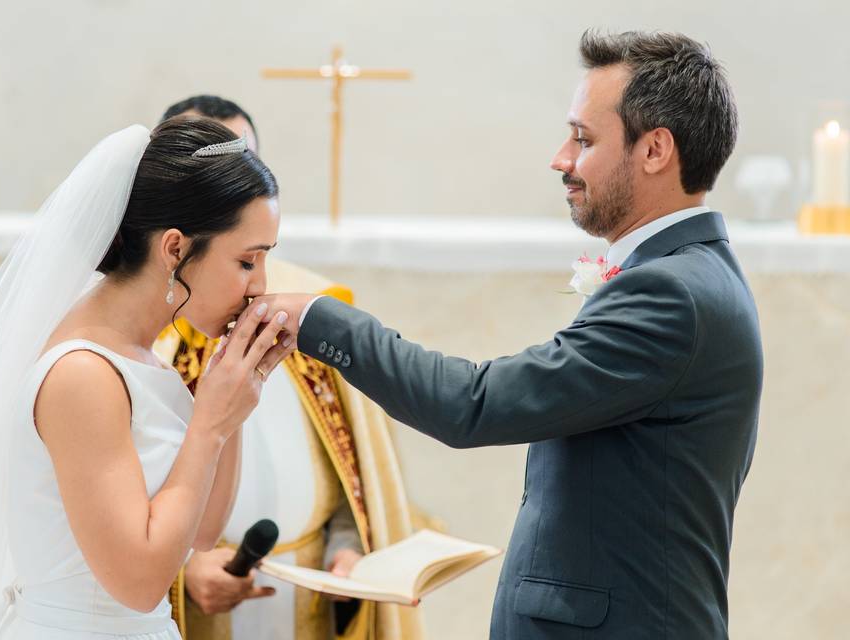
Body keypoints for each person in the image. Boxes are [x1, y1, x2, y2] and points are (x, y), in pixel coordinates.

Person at [261, 30, 762, 639]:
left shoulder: (671, 293)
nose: (561, 159)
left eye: (583, 138)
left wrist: (318, 317)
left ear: (655, 149)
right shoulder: (689, 274)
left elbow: (473, 405)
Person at [0, 118, 294, 639]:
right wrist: (210, 424)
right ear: (174, 249)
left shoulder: (145, 361)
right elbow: (140, 580)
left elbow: (206, 528)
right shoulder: (83, 374)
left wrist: (236, 389)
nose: (260, 286)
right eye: (247, 261)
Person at [155, 96, 423, 640]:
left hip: (309, 608)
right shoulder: (143, 336)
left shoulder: (312, 307)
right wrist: (182, 568)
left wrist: (347, 551)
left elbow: (355, 473)